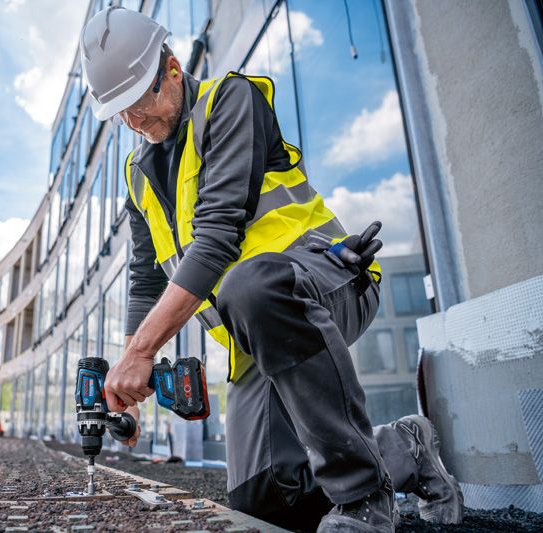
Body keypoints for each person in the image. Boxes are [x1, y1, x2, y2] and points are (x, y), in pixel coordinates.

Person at [79, 7, 463, 532]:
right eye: (118, 111)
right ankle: (402, 448)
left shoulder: (231, 101)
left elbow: (216, 240)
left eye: (137, 104)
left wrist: (144, 352)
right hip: (253, 334)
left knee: (249, 284)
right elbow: (147, 278)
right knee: (264, 503)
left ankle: (364, 499)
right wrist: (126, 375)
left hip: (326, 284)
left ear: (170, 69)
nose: (131, 121)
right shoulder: (137, 176)